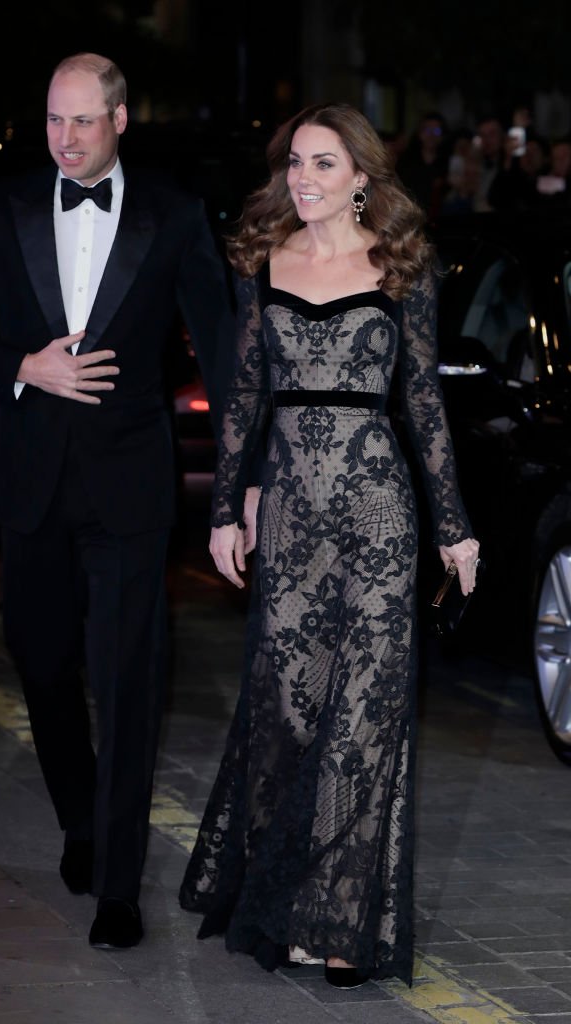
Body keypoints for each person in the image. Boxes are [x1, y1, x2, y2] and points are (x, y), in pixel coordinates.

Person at [0, 53, 236, 950]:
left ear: (121, 119)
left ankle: (119, 887)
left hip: (130, 486)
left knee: (129, 680)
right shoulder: (3, 204)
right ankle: (80, 818)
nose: (64, 140)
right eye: (54, 122)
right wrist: (23, 365)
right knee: (43, 663)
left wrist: (249, 478)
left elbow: (221, 350)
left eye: (83, 122)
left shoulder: (173, 215)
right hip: (29, 485)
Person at [179, 102, 480, 989]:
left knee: (366, 720)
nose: (303, 179)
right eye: (296, 164)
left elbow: (423, 401)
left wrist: (455, 526)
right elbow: (243, 398)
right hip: (295, 523)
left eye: (322, 164)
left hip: (380, 515)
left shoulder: (401, 267)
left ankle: (343, 922)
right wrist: (227, 511)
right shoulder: (263, 261)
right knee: (292, 711)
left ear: (361, 178)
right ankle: (291, 901)